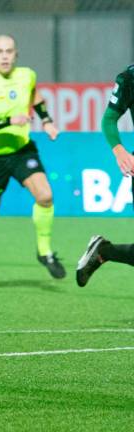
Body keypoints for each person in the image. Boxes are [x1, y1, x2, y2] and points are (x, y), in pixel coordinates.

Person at [0, 35, 66, 291]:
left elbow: (34, 95)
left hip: (22, 151)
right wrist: (9, 121)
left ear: (16, 54)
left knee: (45, 196)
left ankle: (44, 251)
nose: (5, 56)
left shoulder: (26, 75)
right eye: (0, 51)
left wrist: (47, 120)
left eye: (9, 51)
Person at [76, 65, 134, 287]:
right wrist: (119, 151)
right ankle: (104, 251)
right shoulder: (130, 78)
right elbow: (109, 119)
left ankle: (103, 251)